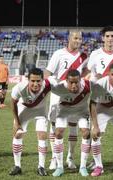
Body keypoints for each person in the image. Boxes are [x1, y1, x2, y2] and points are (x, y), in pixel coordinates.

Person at [44, 30, 88, 170]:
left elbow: (86, 72)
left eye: (80, 39)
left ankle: (70, 157)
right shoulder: (58, 54)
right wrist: (53, 83)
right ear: (69, 38)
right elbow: (47, 73)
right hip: (59, 94)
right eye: (75, 38)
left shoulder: (84, 56)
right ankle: (54, 158)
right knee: (55, 126)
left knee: (73, 126)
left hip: (76, 96)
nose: (78, 41)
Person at [86, 26, 113, 168]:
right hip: (101, 100)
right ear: (102, 38)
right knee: (96, 130)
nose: (110, 39)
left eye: (112, 36)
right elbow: (91, 74)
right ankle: (95, 161)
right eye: (107, 36)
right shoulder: (95, 54)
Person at [9, 68, 55, 176]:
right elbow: (13, 103)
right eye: (33, 81)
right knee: (17, 135)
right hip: (24, 110)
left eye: (38, 81)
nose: (35, 84)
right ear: (28, 80)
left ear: (42, 80)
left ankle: (41, 166)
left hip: (40, 112)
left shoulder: (48, 84)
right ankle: (17, 166)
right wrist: (17, 122)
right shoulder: (19, 87)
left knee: (42, 136)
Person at [50, 70, 92, 177]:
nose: (74, 85)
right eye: (71, 82)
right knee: (58, 132)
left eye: (76, 82)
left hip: (81, 111)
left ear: (80, 80)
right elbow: (45, 89)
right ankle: (60, 167)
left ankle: (82, 167)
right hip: (64, 111)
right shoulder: (59, 87)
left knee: (86, 133)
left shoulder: (88, 85)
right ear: (66, 81)